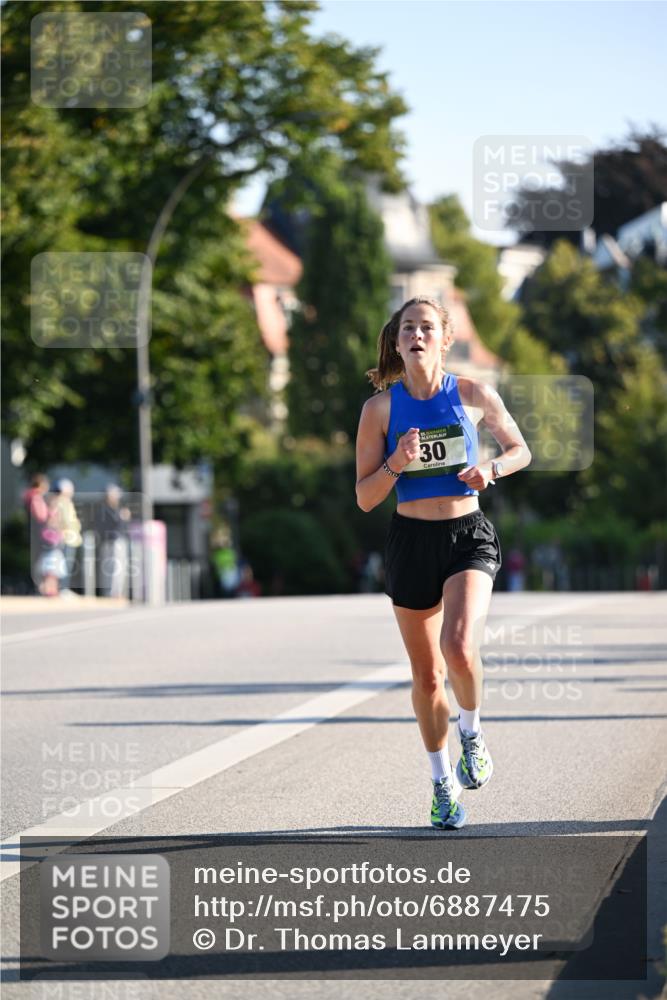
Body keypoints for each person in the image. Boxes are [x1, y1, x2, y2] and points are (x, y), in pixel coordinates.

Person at [355, 296, 531, 831]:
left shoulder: (474, 394)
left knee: (458, 644)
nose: (417, 335)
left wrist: (492, 470)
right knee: (427, 674)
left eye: (427, 327)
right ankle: (441, 782)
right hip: (411, 538)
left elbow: (520, 448)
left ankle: (472, 734)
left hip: (467, 534)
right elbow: (365, 496)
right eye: (408, 327)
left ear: (445, 339)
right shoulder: (379, 410)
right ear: (397, 340)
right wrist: (396, 462)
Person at [96, 484, 131, 598]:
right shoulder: (105, 510)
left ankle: (116, 592)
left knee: (118, 568)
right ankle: (112, 593)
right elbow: (110, 525)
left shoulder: (116, 509)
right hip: (111, 542)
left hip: (116, 541)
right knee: (112, 568)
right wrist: (122, 517)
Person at [52, 478, 82, 596]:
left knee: (67, 565)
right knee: (64, 565)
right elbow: (64, 521)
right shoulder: (61, 502)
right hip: (66, 538)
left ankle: (63, 588)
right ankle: (62, 589)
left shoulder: (66, 502)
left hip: (70, 538)